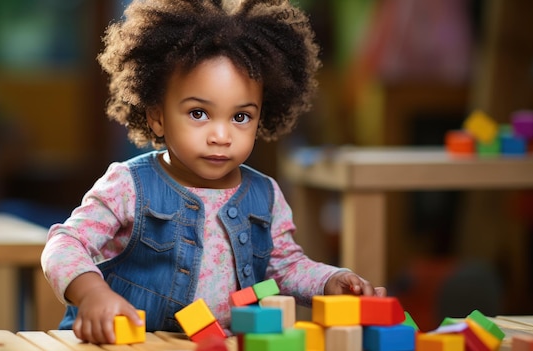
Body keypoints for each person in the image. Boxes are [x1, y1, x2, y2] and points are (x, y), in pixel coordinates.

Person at [41, 0, 387, 345]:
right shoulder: (128, 186)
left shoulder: (265, 195)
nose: (221, 136)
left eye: (240, 117)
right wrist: (92, 294)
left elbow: (284, 268)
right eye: (198, 113)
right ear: (157, 115)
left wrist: (331, 281)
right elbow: (64, 244)